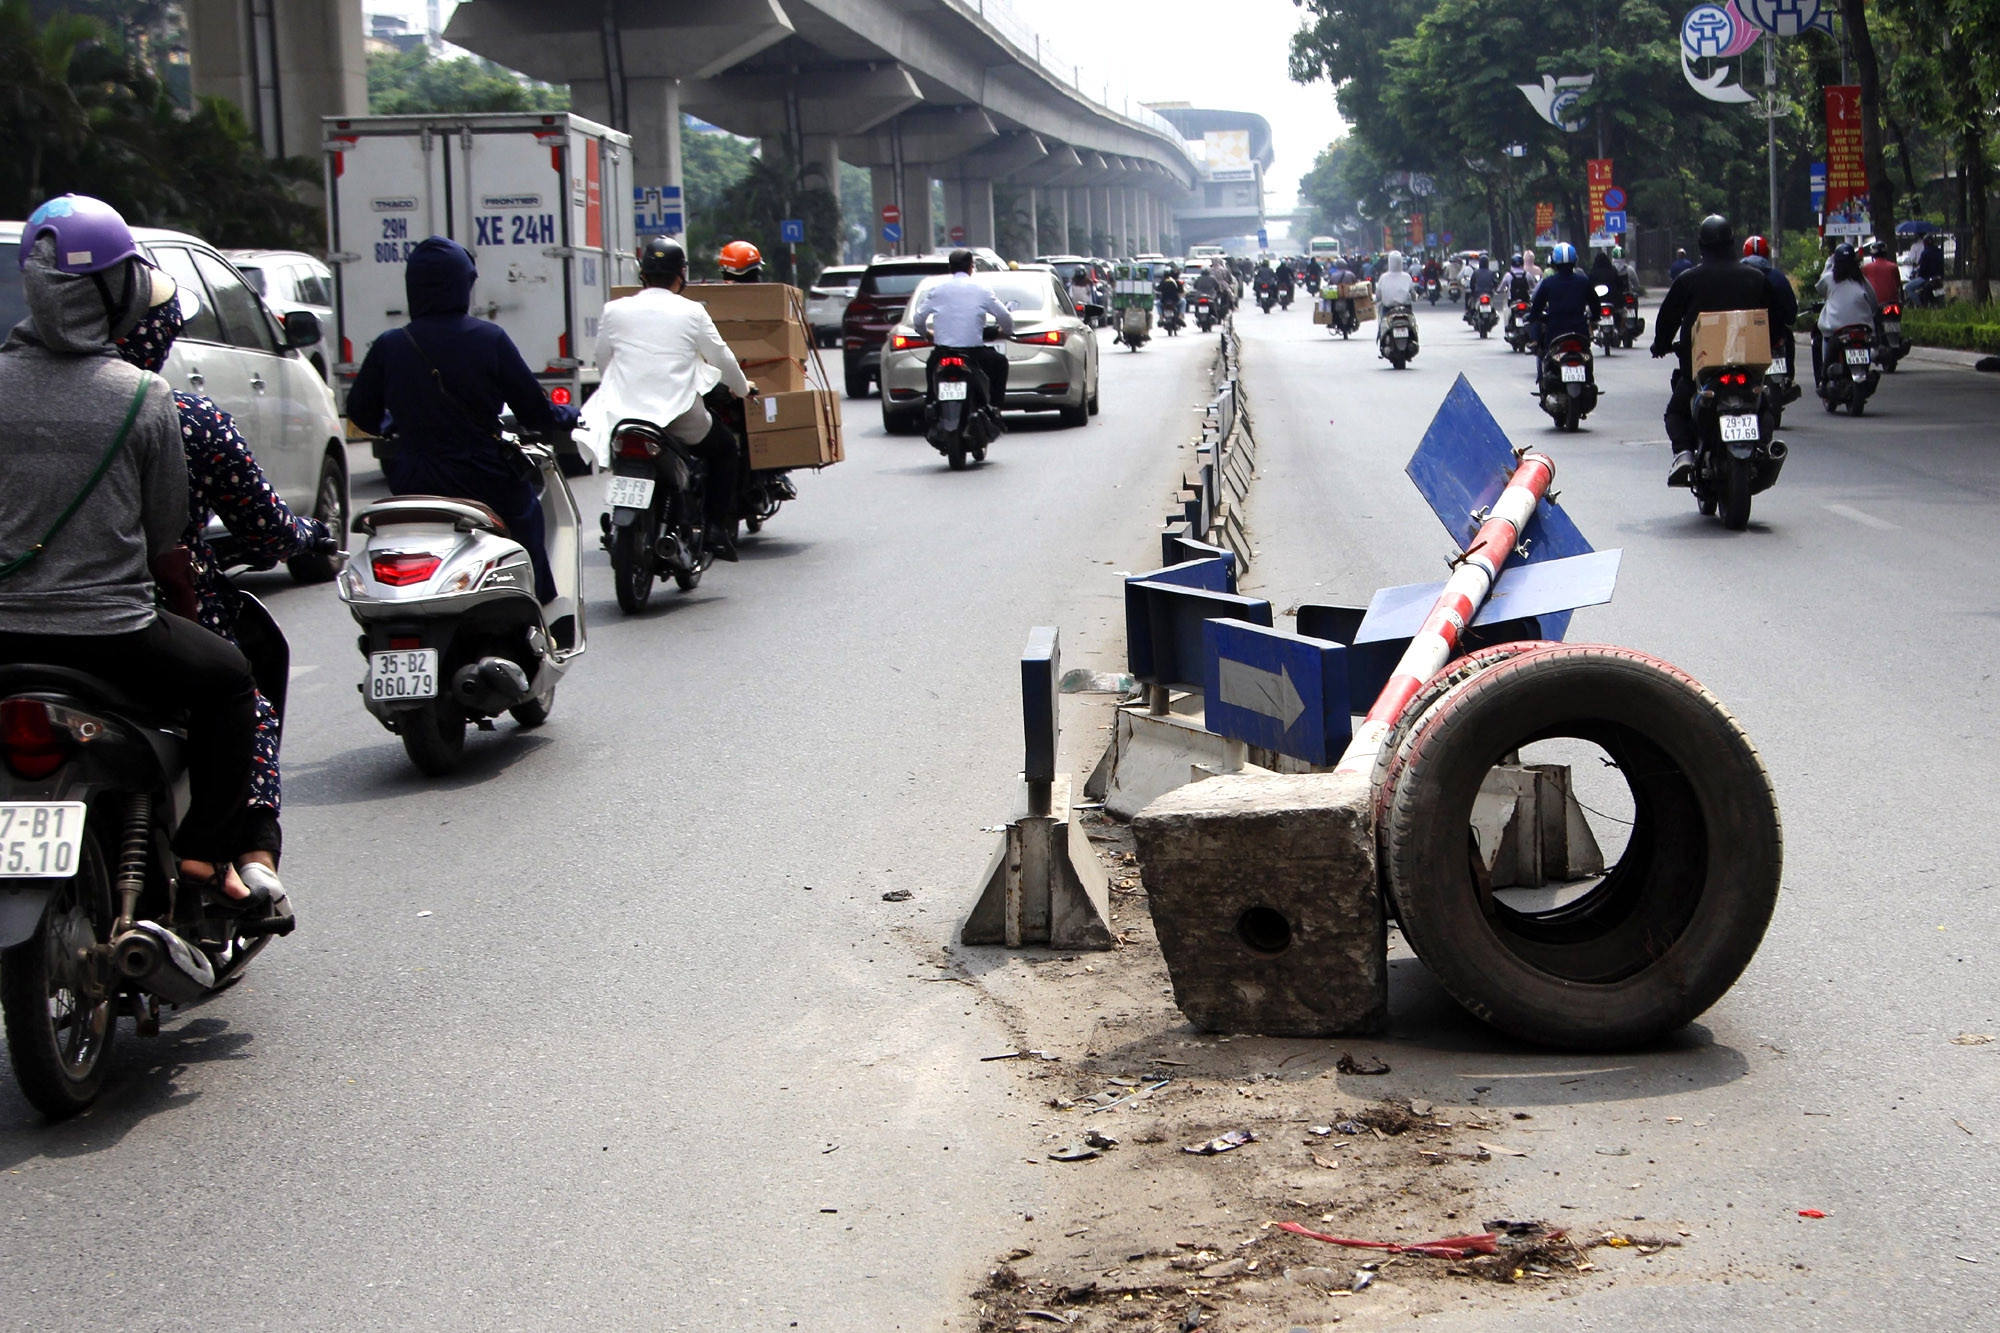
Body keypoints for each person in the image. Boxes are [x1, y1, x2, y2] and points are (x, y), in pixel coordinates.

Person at [0, 195, 264, 912]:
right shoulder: (143, 395)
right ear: (114, 293)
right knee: (230, 680)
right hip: (113, 636)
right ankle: (205, 854)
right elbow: (164, 531)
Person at [112, 266, 334, 911]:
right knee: (241, 693)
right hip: (132, 618)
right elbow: (264, 528)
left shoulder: (20, 402)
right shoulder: (171, 414)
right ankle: (230, 852)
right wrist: (309, 535)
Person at [346, 237, 579, 599]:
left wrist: (395, 424)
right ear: (462, 284)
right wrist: (568, 415)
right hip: (482, 475)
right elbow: (534, 410)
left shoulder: (389, 345)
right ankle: (537, 605)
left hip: (414, 479)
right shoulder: (489, 338)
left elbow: (361, 412)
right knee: (526, 517)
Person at [579, 236, 753, 560]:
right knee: (726, 449)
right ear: (681, 274)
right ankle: (715, 530)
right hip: (678, 416)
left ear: (643, 273)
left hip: (624, 416)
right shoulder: (692, 311)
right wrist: (742, 389)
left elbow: (604, 360)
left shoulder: (614, 310)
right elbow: (722, 357)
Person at [1650, 215, 1785, 485]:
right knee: (1765, 405)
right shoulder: (1756, 278)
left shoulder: (1688, 280)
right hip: (1748, 365)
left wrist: (1661, 345)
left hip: (1702, 368)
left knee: (1676, 412)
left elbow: (1667, 320)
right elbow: (1777, 319)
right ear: (1732, 243)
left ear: (1701, 246)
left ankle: (1684, 454)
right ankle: (1763, 447)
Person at [911, 248, 1014, 416]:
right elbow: (1004, 316)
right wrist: (1006, 332)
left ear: (950, 268)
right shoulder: (981, 290)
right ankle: (995, 408)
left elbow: (918, 319)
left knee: (931, 371)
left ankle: (931, 407)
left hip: (942, 353)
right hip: (973, 354)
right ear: (971, 267)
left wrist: (926, 334)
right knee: (1000, 363)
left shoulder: (938, 290)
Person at [1740, 235, 1801, 402]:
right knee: (1788, 337)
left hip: (1745, 335)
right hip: (1775, 334)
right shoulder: (1778, 277)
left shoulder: (1736, 277)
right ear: (1766, 253)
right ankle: (1788, 379)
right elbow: (1791, 311)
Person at [1812, 242, 1881, 389]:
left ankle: (1823, 378)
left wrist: (1829, 263)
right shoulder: (1861, 280)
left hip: (1837, 330)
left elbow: (1820, 287)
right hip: (1864, 329)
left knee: (1825, 338)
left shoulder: (1830, 279)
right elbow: (1874, 302)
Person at [1528, 242, 1594, 356]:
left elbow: (1536, 307)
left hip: (1555, 332)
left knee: (1545, 357)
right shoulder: (1584, 282)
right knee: (1587, 357)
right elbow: (1595, 304)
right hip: (1580, 332)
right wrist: (1595, 317)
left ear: (1554, 263)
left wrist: (1532, 317)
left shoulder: (1548, 283)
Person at [1588, 249, 1627, 337]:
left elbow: (1588, 288)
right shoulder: (1613, 273)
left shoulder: (1592, 274)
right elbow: (1620, 285)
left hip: (1596, 302)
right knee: (1624, 313)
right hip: (1613, 302)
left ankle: (1591, 333)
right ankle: (1621, 329)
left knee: (1587, 315)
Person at [1860, 240, 1901, 309]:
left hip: (1873, 303)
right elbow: (1898, 284)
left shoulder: (1866, 268)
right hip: (1892, 302)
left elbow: (1862, 285)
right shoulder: (1893, 267)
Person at [1466, 253, 1500, 322]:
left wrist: (1472, 290)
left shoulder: (1476, 272)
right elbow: (1495, 282)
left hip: (1478, 293)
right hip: (1489, 292)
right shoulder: (1491, 273)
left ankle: (1470, 313)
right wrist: (1495, 288)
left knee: (1472, 303)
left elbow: (1472, 283)